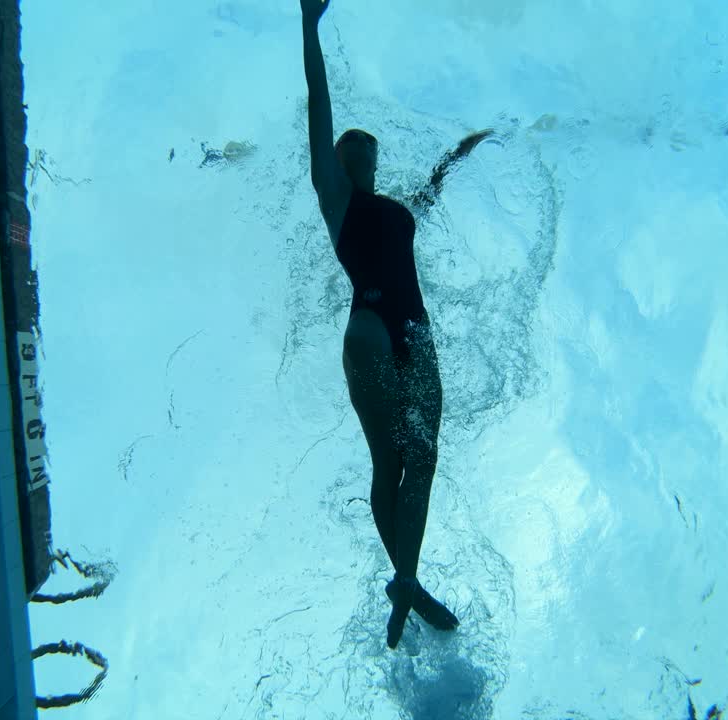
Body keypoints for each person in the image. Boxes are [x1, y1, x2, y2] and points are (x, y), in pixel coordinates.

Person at [301, 0, 462, 649]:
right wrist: (308, 27)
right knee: (387, 460)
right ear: (338, 163)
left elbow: (422, 200)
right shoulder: (335, 199)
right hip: (368, 327)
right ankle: (408, 578)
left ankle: (406, 584)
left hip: (414, 334)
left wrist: (456, 159)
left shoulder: (390, 207)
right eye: (350, 149)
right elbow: (318, 104)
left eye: (366, 151)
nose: (359, 154)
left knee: (424, 457)